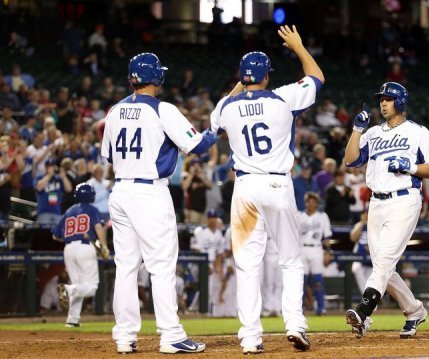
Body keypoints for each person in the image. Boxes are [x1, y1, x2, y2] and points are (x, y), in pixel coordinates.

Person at [209, 25, 324, 354]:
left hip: (244, 188)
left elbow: (217, 117)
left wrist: (241, 84)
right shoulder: (283, 98)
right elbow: (316, 78)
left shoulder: (226, 107)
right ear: (267, 77)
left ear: (242, 76)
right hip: (276, 184)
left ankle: (250, 338)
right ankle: (295, 326)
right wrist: (299, 47)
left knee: (248, 265)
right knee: (289, 260)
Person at [101, 52, 215, 354]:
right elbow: (198, 147)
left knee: (125, 267)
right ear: (158, 77)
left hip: (121, 190)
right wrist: (214, 131)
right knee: (162, 266)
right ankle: (171, 335)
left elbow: (109, 156)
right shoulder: (162, 109)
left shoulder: (113, 112)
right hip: (149, 193)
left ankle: (124, 336)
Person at [344, 81, 429, 339]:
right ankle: (414, 310)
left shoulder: (418, 132)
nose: (383, 103)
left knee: (385, 260)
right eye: (381, 99)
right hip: (376, 203)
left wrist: (411, 166)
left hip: (404, 200)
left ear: (400, 102)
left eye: (388, 98)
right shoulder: (373, 133)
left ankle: (364, 312)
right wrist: (357, 130)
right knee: (383, 267)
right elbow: (351, 160)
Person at [52, 183, 109, 327]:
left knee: (79, 285)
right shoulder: (92, 209)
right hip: (85, 247)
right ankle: (67, 290)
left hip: (69, 249)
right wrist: (103, 246)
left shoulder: (69, 211)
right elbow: (98, 227)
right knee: (91, 287)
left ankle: (72, 320)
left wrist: (69, 238)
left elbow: (55, 236)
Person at [299, 192, 332, 316]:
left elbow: (327, 236)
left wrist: (328, 252)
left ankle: (320, 308)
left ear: (317, 203)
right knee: (302, 280)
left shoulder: (322, 216)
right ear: (305, 202)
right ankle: (300, 309)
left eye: (313, 201)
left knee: (317, 280)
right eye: (308, 201)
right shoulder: (299, 216)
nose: (310, 203)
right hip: (302, 249)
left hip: (316, 249)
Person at [349, 211, 373, 294]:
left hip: (371, 259)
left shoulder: (375, 225)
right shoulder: (358, 225)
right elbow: (353, 238)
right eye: (364, 214)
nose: (365, 215)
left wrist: (371, 247)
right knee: (356, 269)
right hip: (358, 257)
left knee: (371, 281)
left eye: (367, 213)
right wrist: (363, 222)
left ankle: (368, 301)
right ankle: (367, 298)